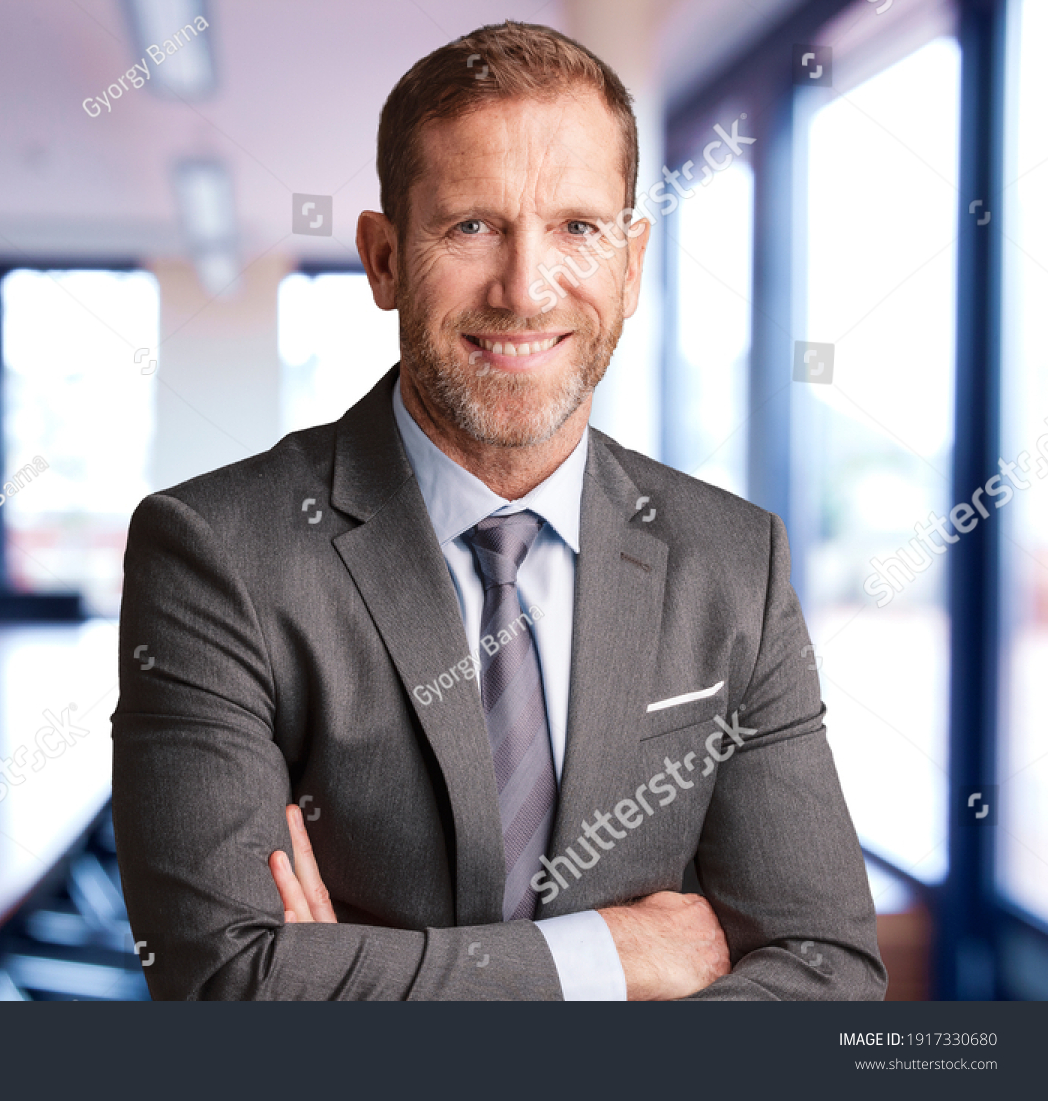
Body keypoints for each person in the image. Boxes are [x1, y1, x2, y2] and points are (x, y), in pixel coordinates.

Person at [111, 20, 885, 1001]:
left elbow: (827, 967)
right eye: (472, 226)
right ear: (384, 259)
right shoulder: (216, 550)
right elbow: (225, 980)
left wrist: (351, 981)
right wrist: (615, 958)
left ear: (632, 263)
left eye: (577, 229)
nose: (526, 289)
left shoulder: (735, 561)